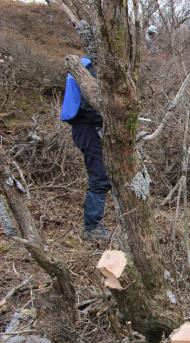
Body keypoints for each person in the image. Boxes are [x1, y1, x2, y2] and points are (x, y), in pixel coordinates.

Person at [60, 56, 111, 240]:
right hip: (87, 128)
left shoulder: (85, 65)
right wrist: (108, 121)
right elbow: (88, 105)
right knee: (100, 176)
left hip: (85, 127)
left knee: (105, 174)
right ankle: (92, 228)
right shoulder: (88, 69)